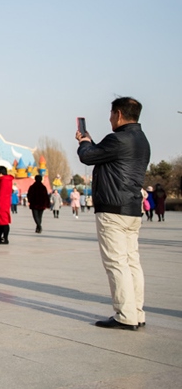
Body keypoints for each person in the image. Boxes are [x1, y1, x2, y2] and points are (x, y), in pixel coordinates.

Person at [77, 96, 150, 330]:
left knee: (116, 263)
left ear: (118, 114)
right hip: (131, 209)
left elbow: (87, 156)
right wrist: (91, 143)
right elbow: (104, 155)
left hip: (113, 210)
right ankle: (136, 312)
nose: (109, 119)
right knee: (132, 262)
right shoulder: (141, 140)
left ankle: (124, 316)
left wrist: (84, 142)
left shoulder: (117, 139)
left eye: (111, 114)